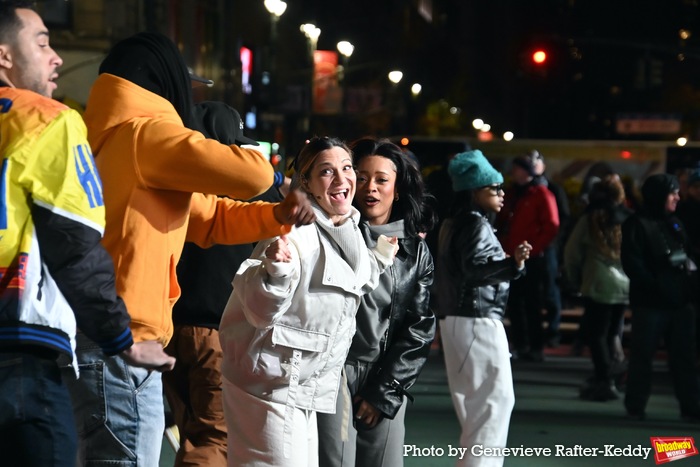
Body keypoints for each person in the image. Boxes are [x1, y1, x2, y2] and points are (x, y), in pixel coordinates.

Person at [63, 32, 315, 466]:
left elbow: (210, 219)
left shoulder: (117, 139)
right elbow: (251, 174)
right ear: (159, 82)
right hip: (123, 337)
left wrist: (276, 216)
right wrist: (263, 168)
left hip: (115, 334)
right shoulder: (146, 134)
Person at [0, 3, 174, 466]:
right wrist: (122, 338)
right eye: (41, 42)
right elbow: (74, 247)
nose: (55, 56)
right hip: (19, 351)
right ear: (4, 57)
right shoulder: (46, 120)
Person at [218, 136, 398, 467]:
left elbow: (353, 282)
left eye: (347, 168)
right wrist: (277, 271)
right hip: (269, 384)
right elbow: (258, 310)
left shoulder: (348, 227)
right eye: (327, 172)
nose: (343, 179)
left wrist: (382, 256)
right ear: (308, 183)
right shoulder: (293, 231)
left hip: (299, 385)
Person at [163, 101, 291, 466]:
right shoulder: (248, 188)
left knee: (190, 431)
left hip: (167, 327)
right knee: (214, 437)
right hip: (218, 331)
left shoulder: (173, 179)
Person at [316, 137, 437, 466]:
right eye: (362, 176)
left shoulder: (415, 252)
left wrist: (384, 390)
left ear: (397, 190)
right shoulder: (326, 234)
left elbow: (420, 327)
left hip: (383, 374)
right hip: (332, 371)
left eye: (382, 179)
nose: (370, 187)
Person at [433, 150, 531, 467]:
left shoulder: (455, 222)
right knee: (493, 404)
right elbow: (474, 271)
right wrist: (512, 265)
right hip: (476, 321)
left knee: (479, 408)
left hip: (458, 321)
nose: (502, 194)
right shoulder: (474, 225)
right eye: (494, 188)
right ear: (475, 191)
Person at [621, 173, 700, 422]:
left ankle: (691, 406)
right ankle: (636, 405)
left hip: (679, 302)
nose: (678, 196)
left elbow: (686, 254)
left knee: (684, 358)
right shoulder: (637, 224)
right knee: (643, 356)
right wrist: (658, 286)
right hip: (652, 303)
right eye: (672, 192)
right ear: (659, 195)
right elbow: (633, 264)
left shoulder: (675, 222)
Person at [564, 175, 631, 401]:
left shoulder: (590, 219)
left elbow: (572, 252)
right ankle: (612, 374)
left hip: (598, 284)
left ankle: (604, 378)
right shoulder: (628, 219)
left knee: (597, 335)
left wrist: (574, 279)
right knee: (613, 333)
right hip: (624, 286)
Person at [495, 155, 559, 361]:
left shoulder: (541, 194)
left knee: (531, 302)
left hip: (531, 257)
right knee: (514, 302)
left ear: (525, 171)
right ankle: (521, 344)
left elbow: (551, 225)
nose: (512, 172)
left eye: (516, 168)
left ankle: (535, 345)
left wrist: (534, 248)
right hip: (512, 255)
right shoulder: (514, 194)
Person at [530, 150, 570, 347]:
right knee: (533, 293)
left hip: (550, 248)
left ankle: (553, 331)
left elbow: (563, 218)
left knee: (551, 290)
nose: (533, 165)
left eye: (536, 161)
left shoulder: (553, 189)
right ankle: (535, 333)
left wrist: (554, 242)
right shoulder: (524, 190)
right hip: (529, 248)